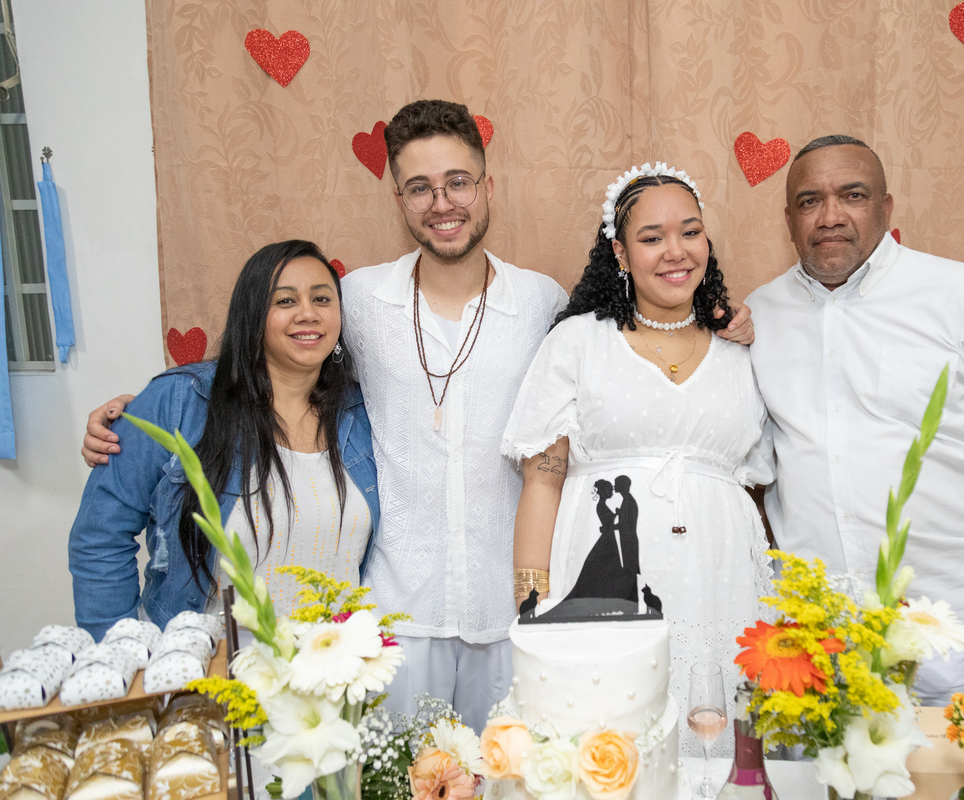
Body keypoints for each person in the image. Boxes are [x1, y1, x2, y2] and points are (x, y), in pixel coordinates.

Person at [79, 101, 754, 732]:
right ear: (398, 199)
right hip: (392, 615)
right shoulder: (356, 299)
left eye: (458, 182)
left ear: (488, 188)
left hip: (507, 613)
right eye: (420, 187)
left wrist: (726, 322)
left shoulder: (543, 304)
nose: (442, 203)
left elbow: (629, 355)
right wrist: (143, 413)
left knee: (511, 778)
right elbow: (277, 360)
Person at [746, 135, 964, 706]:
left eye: (852, 195)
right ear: (788, 219)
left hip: (940, 613)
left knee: (933, 760)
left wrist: (961, 490)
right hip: (812, 620)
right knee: (811, 761)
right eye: (809, 201)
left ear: (885, 207)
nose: (830, 216)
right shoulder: (760, 314)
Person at [503, 163, 773, 755]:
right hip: (606, 581)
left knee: (717, 744)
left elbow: (755, 491)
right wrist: (530, 604)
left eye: (690, 232)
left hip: (721, 580)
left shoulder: (741, 350)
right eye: (652, 238)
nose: (676, 251)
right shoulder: (578, 341)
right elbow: (542, 482)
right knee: (611, 747)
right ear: (621, 254)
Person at [69, 240, 378, 641]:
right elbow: (100, 534)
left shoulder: (367, 413)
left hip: (329, 663)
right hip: (206, 662)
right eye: (285, 301)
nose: (308, 313)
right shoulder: (180, 401)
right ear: (252, 315)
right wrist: (119, 650)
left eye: (322, 298)